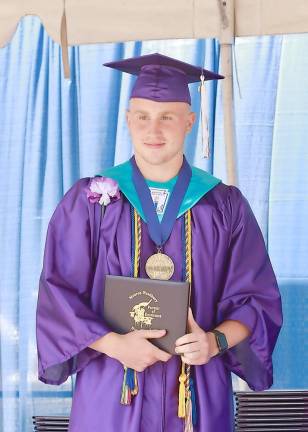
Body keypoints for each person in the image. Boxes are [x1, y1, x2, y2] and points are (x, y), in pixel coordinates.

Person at [36, 53, 283, 432]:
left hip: (195, 392)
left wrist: (214, 342)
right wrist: (116, 346)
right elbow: (58, 293)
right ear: (128, 120)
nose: (154, 129)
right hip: (114, 389)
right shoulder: (90, 202)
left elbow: (257, 299)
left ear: (189, 122)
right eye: (143, 116)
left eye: (167, 116)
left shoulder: (224, 205)